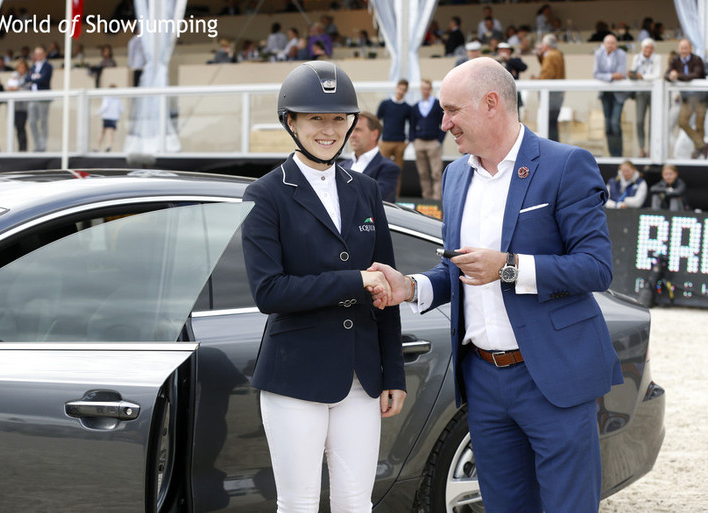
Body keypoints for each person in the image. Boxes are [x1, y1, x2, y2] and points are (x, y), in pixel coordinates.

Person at [369, 57, 622, 513]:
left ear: (491, 103)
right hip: (483, 381)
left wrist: (509, 267)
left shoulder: (566, 165)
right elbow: (459, 269)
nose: (443, 122)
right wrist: (409, 286)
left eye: (451, 111)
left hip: (553, 377)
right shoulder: (454, 176)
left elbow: (596, 267)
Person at [241, 61, 406, 512]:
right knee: (299, 504)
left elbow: (386, 285)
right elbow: (269, 292)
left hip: (362, 376)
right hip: (296, 375)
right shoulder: (265, 195)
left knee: (357, 503)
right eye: (316, 118)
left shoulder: (367, 189)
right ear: (290, 122)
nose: (329, 130)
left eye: (339, 118)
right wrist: (353, 280)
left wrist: (393, 371)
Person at [344, 111, 400, 202]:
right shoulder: (340, 166)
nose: (352, 135)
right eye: (350, 129)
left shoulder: (388, 168)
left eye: (358, 129)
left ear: (374, 134)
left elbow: (376, 200)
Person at [665, 39, 707, 159]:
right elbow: (666, 75)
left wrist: (678, 76)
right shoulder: (675, 61)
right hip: (687, 99)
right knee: (682, 122)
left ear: (690, 49)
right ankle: (701, 145)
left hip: (700, 97)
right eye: (682, 48)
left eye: (686, 48)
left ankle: (698, 150)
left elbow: (697, 74)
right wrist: (671, 76)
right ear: (679, 49)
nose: (684, 50)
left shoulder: (697, 60)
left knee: (699, 125)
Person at [409, 78, 445, 200]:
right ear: (421, 89)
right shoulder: (415, 107)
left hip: (433, 142)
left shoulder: (437, 104)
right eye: (423, 88)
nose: (425, 90)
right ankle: (427, 198)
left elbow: (443, 124)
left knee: (436, 172)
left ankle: (436, 199)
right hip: (419, 142)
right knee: (423, 172)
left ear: (430, 89)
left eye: (427, 88)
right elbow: (412, 125)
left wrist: (439, 140)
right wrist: (413, 140)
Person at [593, 34, 628, 157]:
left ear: (616, 44)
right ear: (604, 44)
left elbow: (622, 73)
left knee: (615, 123)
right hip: (605, 93)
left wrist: (607, 76)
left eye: (613, 43)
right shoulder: (598, 54)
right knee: (607, 124)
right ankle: (611, 153)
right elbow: (596, 73)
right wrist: (611, 76)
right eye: (608, 43)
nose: (610, 45)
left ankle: (618, 154)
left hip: (618, 93)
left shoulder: (621, 54)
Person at [377, 78, 412, 193]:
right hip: (385, 142)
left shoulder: (407, 108)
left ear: (406, 91)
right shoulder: (385, 104)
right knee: (382, 170)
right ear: (396, 88)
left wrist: (408, 141)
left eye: (404, 90)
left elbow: (411, 124)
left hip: (400, 143)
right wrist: (378, 139)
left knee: (398, 172)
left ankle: (395, 197)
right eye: (400, 88)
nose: (401, 91)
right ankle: (381, 196)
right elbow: (377, 121)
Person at [629, 38, 662, 157]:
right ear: (642, 48)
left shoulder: (657, 58)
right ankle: (641, 147)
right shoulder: (637, 58)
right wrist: (634, 75)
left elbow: (657, 75)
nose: (648, 50)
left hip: (654, 92)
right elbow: (633, 72)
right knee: (639, 121)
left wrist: (641, 76)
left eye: (650, 48)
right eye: (646, 47)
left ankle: (651, 148)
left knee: (653, 122)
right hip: (640, 92)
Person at [534, 34, 565, 141]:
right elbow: (546, 66)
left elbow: (548, 73)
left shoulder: (551, 56)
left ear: (546, 45)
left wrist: (537, 80)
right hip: (556, 93)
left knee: (550, 122)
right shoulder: (557, 54)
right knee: (552, 122)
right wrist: (540, 55)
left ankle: (552, 146)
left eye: (542, 44)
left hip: (552, 95)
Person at [25, 45, 53, 152]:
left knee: (43, 121)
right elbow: (27, 78)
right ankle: (37, 144)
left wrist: (33, 78)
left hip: (43, 97)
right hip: (33, 96)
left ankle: (42, 145)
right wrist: (35, 78)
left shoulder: (47, 66)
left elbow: (44, 79)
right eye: (36, 54)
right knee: (32, 121)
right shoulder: (33, 66)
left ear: (44, 54)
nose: (38, 56)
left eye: (40, 54)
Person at [5, 59, 32, 152]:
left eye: (23, 67)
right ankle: (14, 149)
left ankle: (23, 149)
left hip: (22, 108)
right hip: (13, 107)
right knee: (15, 128)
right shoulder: (13, 77)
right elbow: (8, 87)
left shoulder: (28, 78)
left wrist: (17, 89)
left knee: (21, 128)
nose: (21, 69)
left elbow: (28, 89)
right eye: (19, 67)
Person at [96, 85, 123, 152]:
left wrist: (98, 113)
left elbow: (104, 107)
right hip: (114, 117)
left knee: (103, 132)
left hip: (107, 117)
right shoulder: (118, 99)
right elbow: (121, 109)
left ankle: (98, 147)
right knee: (110, 133)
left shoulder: (107, 97)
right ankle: (108, 145)